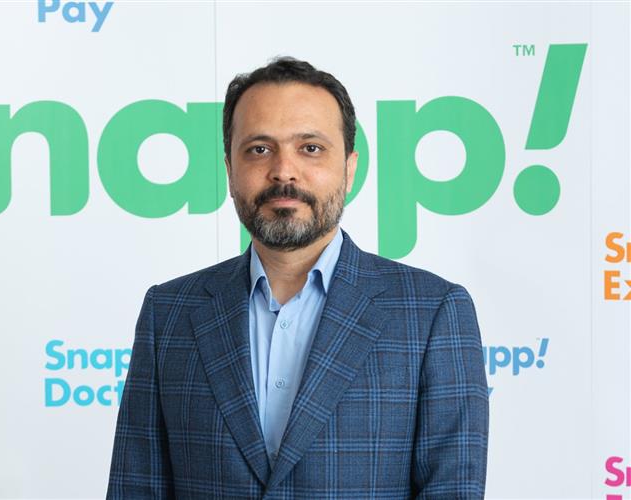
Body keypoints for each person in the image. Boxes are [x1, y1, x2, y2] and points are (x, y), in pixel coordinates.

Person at [107, 57, 489, 499]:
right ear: (229, 170)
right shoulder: (169, 313)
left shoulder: (433, 312)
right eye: (259, 149)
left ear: (349, 168)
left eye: (310, 148)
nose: (284, 171)